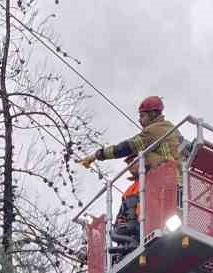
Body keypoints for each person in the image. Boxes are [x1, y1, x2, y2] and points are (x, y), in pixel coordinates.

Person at [78, 96, 182, 257]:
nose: (139, 120)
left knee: (136, 201)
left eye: (142, 115)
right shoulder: (169, 131)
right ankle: (130, 239)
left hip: (168, 183)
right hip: (174, 185)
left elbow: (125, 147)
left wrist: (97, 155)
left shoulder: (155, 130)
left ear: (153, 114)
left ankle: (133, 237)